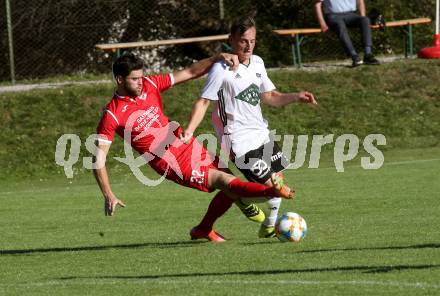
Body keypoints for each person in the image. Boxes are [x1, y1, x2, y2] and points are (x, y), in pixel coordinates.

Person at [93, 53, 294, 243]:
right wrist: (108, 194)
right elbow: (98, 159)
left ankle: (204, 229)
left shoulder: (150, 84)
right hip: (170, 161)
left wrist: (216, 57)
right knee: (225, 181)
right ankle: (273, 191)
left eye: (141, 77)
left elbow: (189, 72)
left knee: (229, 189)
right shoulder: (112, 114)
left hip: (187, 144)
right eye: (134, 79)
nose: (140, 82)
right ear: (120, 80)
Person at [181, 16, 317, 239]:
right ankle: (242, 199)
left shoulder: (257, 63)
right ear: (231, 40)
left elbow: (271, 96)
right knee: (273, 190)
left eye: (252, 41)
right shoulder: (221, 69)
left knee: (279, 184)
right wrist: (189, 130)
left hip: (262, 135)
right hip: (238, 141)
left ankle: (268, 226)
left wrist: (296, 97)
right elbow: (203, 101)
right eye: (243, 40)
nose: (248, 46)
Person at [314, 0, 380, 67]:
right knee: (340, 25)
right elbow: (317, 5)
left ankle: (368, 54)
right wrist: (322, 24)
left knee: (365, 20)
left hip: (350, 14)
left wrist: (362, 17)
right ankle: (354, 56)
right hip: (333, 16)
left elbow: (360, 1)